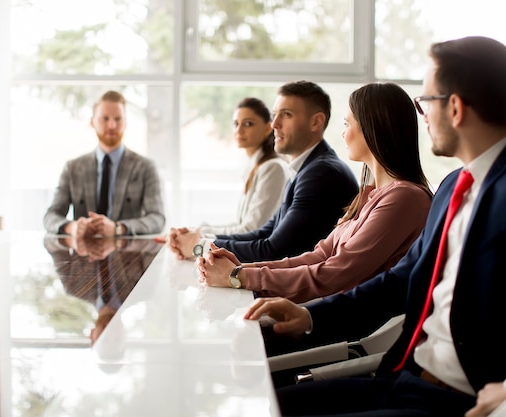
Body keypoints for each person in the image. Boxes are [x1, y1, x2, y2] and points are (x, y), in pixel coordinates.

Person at [243, 36, 506, 417]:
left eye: (425, 102)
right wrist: (312, 316)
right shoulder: (452, 187)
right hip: (405, 377)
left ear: (455, 108)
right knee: (261, 407)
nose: (421, 114)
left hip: (460, 400)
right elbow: (400, 281)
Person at [196, 83, 432, 304]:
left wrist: (239, 276)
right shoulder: (369, 195)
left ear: (373, 128)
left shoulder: (404, 199)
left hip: (343, 323)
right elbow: (319, 256)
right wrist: (243, 270)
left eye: (347, 124)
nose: (343, 134)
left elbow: (335, 273)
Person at [167, 80, 359, 263]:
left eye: (286, 114)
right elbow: (264, 232)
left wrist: (198, 246)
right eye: (275, 114)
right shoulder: (307, 168)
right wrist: (199, 237)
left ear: (316, 122)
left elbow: (274, 251)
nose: (274, 124)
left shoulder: (321, 174)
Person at [43, 90, 166, 238]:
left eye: (118, 119)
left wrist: (118, 228)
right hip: (81, 256)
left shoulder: (145, 167)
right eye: (105, 118)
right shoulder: (73, 168)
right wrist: (72, 227)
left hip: (129, 257)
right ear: (92, 122)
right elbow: (51, 216)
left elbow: (157, 219)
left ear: (125, 122)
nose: (112, 125)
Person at [185, 97, 291, 235]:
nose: (239, 130)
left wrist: (199, 234)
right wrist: (196, 231)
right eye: (236, 124)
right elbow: (242, 225)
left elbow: (251, 230)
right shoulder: (255, 166)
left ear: (267, 128)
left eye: (248, 124)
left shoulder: (273, 168)